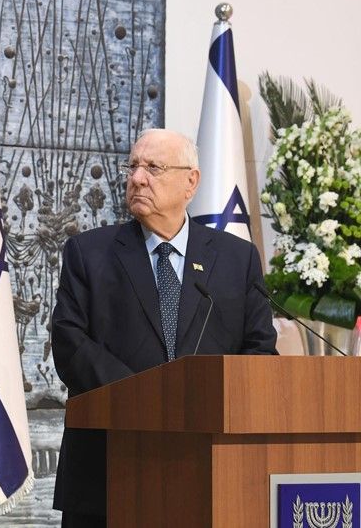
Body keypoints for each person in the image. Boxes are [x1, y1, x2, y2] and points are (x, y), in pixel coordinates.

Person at [50, 129, 277, 527]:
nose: (137, 178)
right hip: (108, 471)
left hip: (209, 470)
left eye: (153, 167)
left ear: (192, 181)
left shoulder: (236, 259)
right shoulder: (88, 253)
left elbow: (259, 353)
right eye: (133, 166)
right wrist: (150, 400)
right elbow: (70, 345)